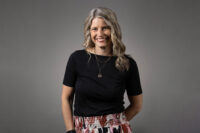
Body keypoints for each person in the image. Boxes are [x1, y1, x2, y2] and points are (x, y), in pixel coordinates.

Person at [61, 7, 143, 133]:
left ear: (113, 29)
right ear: (89, 31)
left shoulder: (127, 64)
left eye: (105, 28)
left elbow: (137, 106)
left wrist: (115, 124)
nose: (100, 34)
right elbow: (66, 98)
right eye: (94, 29)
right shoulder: (76, 59)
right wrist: (70, 130)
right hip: (81, 130)